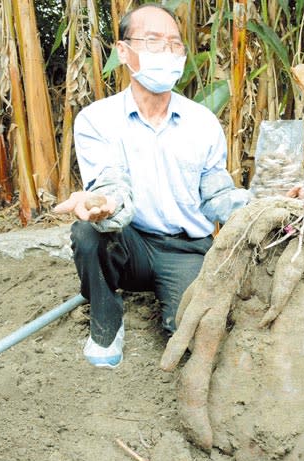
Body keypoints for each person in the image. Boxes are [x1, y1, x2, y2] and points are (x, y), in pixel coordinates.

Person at [54, 3, 251, 369]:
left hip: (187, 249)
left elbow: (216, 195)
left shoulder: (202, 122)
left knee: (191, 338)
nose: (167, 51)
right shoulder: (97, 120)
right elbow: (112, 181)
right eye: (153, 40)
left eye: (175, 43)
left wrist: (262, 205)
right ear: (124, 51)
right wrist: (103, 204)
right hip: (131, 241)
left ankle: (173, 304)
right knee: (87, 233)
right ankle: (106, 324)